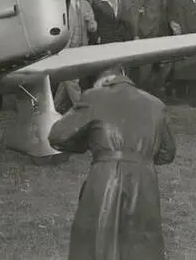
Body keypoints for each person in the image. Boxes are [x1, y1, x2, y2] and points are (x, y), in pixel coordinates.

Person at [48, 65, 176, 260]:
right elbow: (167, 153)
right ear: (124, 76)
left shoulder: (94, 97)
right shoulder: (155, 104)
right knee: (143, 242)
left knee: (96, 242)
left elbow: (58, 136)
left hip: (104, 177)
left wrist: (87, 144)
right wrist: (141, 158)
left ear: (103, 81)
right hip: (144, 181)